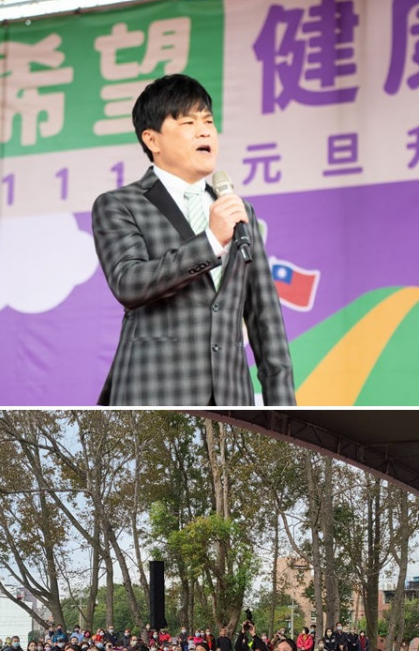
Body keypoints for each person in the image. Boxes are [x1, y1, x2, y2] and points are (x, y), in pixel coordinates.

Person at [91, 73, 297, 407]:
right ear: (152, 140)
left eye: (209, 121)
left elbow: (266, 322)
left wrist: (284, 412)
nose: (204, 131)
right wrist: (212, 241)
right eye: (188, 122)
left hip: (233, 398)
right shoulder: (120, 204)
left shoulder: (237, 210)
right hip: (154, 395)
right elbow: (129, 283)